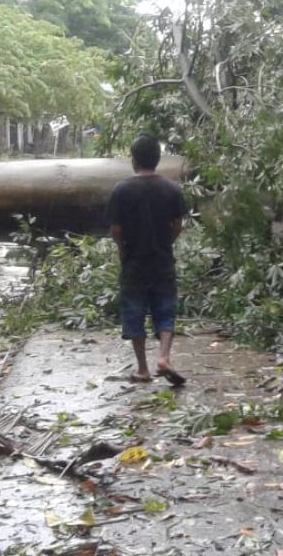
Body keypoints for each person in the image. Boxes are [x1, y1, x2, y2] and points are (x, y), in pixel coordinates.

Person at [106, 135, 187, 385]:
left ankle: (143, 369)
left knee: (135, 313)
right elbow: (177, 225)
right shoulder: (172, 189)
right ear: (157, 159)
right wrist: (165, 243)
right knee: (165, 310)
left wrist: (123, 248)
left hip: (133, 262)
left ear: (134, 159)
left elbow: (116, 230)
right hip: (162, 260)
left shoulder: (121, 190)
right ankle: (164, 357)